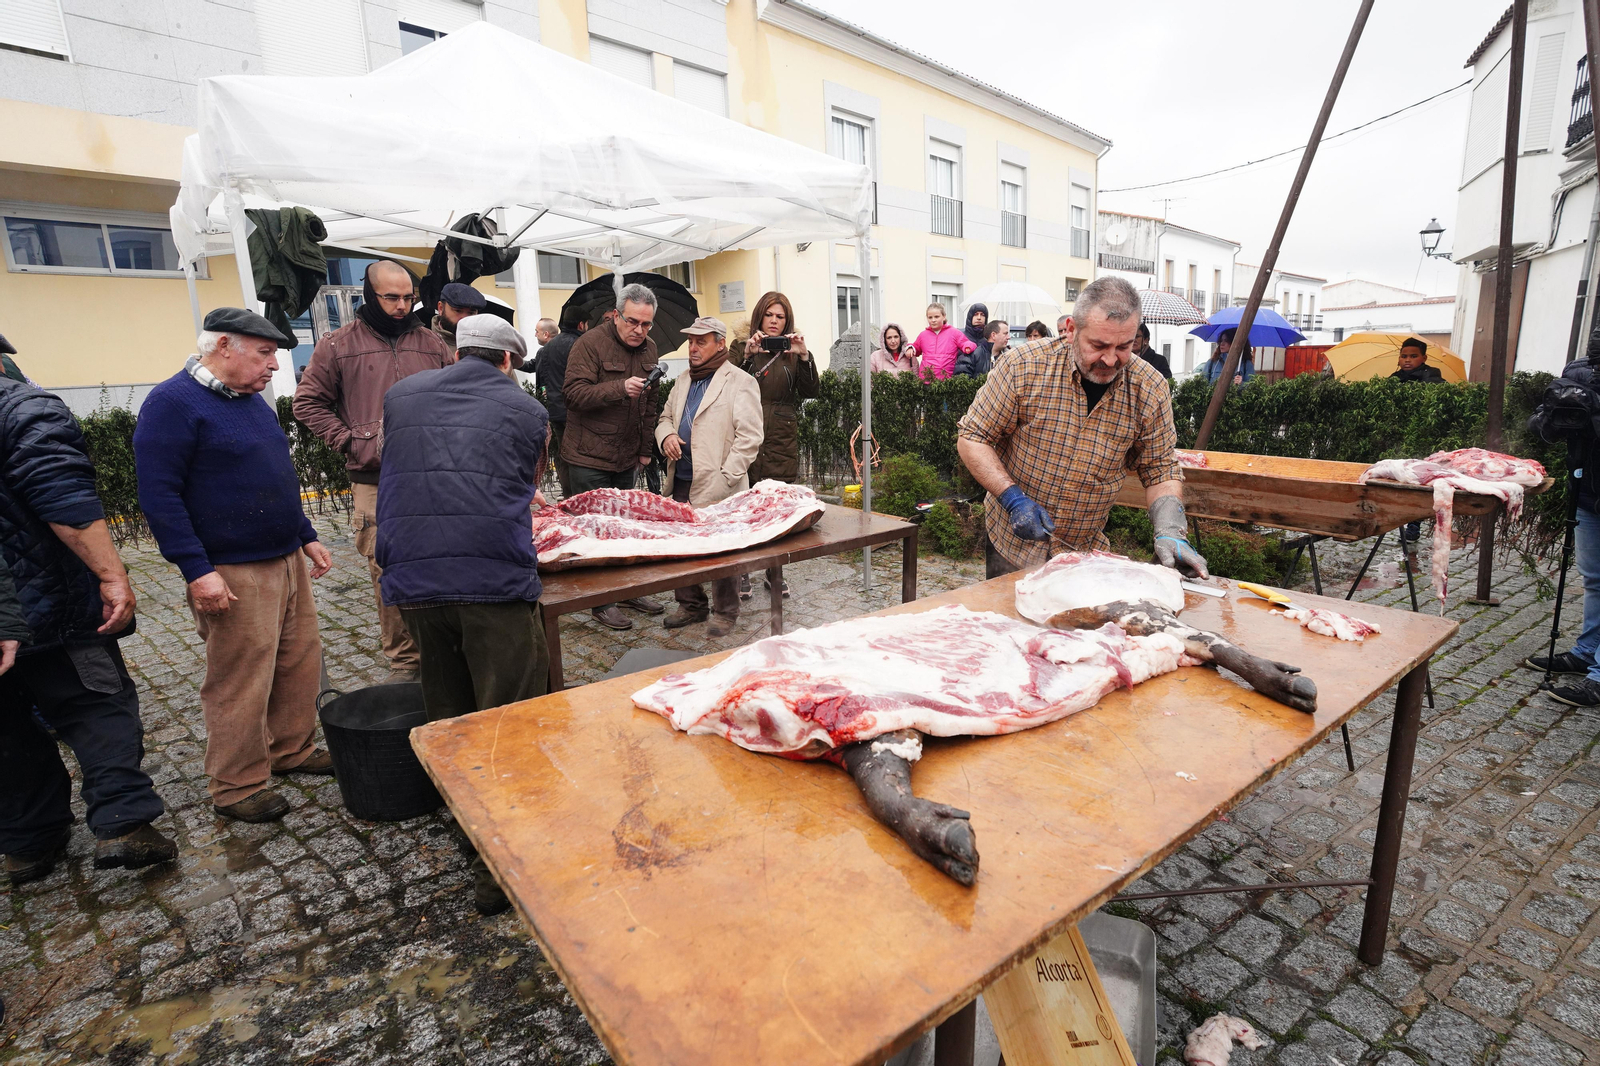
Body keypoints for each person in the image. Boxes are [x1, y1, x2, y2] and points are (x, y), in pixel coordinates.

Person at [377, 314, 549, 915]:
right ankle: (497, 866)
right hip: (490, 581)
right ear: (508, 360)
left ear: (457, 352)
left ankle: (461, 817)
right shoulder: (527, 409)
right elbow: (522, 477)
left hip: (415, 577)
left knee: (449, 712)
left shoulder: (401, 395)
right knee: (508, 719)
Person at [135, 309, 335, 823]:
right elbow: (159, 496)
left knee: (298, 660)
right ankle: (236, 785)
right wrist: (197, 570)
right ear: (224, 345)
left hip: (284, 556)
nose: (275, 366)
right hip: (231, 568)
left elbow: (275, 476)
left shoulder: (250, 400)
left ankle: (290, 749)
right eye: (265, 353)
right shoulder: (171, 403)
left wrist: (305, 535)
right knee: (241, 677)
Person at [1, 368, 176, 882]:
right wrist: (111, 575)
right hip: (52, 607)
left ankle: (28, 843)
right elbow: (65, 500)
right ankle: (123, 822)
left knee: (6, 725)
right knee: (96, 703)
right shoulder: (23, 407)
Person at [957, 276, 1208, 581]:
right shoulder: (1022, 366)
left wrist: (1170, 530)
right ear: (1072, 330)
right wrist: (1012, 498)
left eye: (1124, 346)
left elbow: (1160, 470)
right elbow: (973, 437)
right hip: (1010, 545)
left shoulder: (1150, 388)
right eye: (1098, 345)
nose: (1111, 359)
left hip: (1083, 553)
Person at [294, 260, 450, 682]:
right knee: (387, 569)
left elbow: (454, 397)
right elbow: (306, 403)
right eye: (391, 297)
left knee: (442, 559)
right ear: (369, 294)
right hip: (376, 481)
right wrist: (351, 441)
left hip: (434, 475)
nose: (402, 306)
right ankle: (405, 662)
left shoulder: (432, 343)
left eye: (408, 298)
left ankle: (444, 650)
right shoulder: (337, 344)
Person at [562, 283, 666, 629]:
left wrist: (645, 450)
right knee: (594, 532)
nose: (639, 330)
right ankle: (601, 602)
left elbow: (651, 405)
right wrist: (618, 388)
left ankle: (628, 591)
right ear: (616, 315)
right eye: (633, 321)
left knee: (625, 529)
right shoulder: (589, 344)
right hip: (587, 457)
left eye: (646, 324)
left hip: (626, 457)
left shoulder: (651, 348)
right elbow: (573, 395)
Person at [657, 317, 763, 637]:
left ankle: (726, 611)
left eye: (700, 342)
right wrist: (666, 436)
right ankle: (691, 605)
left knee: (722, 550)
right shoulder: (682, 380)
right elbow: (665, 417)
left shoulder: (740, 381)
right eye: (691, 341)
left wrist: (727, 476)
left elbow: (750, 437)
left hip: (720, 484)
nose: (693, 348)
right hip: (682, 479)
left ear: (720, 344)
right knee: (682, 548)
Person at [736, 290, 819, 599]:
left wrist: (805, 356)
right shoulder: (740, 346)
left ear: (787, 321)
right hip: (746, 430)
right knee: (743, 503)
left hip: (781, 434)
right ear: (760, 316)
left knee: (776, 506)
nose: (774, 321)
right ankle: (742, 569)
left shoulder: (792, 352)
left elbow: (811, 391)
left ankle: (774, 570)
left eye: (780, 316)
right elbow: (727, 384)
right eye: (769, 315)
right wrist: (747, 356)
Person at [530, 310, 586, 500]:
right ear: (581, 324)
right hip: (575, 409)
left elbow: (542, 376)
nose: (535, 334)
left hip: (556, 409)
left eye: (537, 331)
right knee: (579, 454)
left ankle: (569, 494)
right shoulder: (580, 344)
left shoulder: (546, 349)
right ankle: (579, 496)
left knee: (564, 454)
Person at [914, 303, 976, 381]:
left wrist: (968, 346)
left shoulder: (954, 332)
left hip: (946, 380)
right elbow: (916, 348)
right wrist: (911, 348)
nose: (933, 320)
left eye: (936, 317)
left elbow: (966, 342)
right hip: (926, 381)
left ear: (944, 316)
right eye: (930, 317)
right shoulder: (923, 335)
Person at [431, 281, 487, 358]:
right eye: (458, 311)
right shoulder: (423, 344)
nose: (464, 319)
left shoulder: (486, 347)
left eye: (471, 313)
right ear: (440, 308)